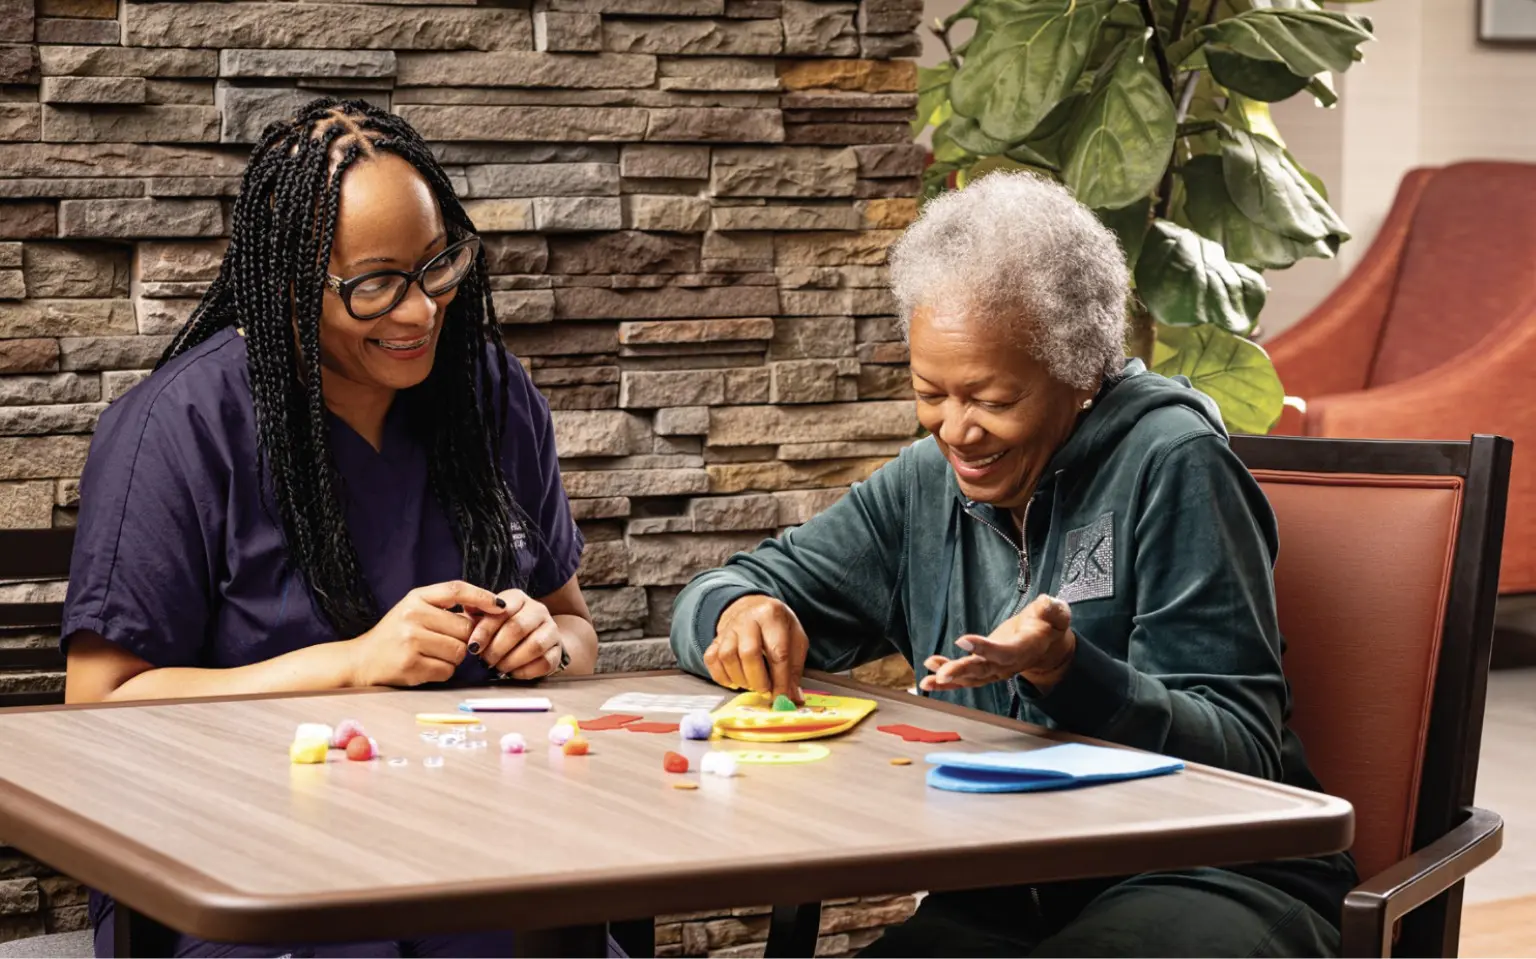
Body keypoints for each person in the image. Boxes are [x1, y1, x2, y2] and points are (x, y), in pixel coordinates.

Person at [668, 171, 1358, 957]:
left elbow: (1242, 753)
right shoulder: (924, 485)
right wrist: (734, 614)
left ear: (1080, 371)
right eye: (932, 392)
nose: (956, 430)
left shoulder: (1176, 464)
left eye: (992, 399)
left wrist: (1070, 670)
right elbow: (719, 590)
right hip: (1012, 886)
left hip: (1210, 875)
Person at [61, 98, 608, 958]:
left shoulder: (489, 398)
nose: (422, 311)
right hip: (229, 858)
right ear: (287, 285)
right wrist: (352, 666)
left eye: (438, 265)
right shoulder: (177, 430)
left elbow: (576, 628)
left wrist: (550, 644)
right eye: (375, 284)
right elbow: (96, 707)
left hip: (469, 846)